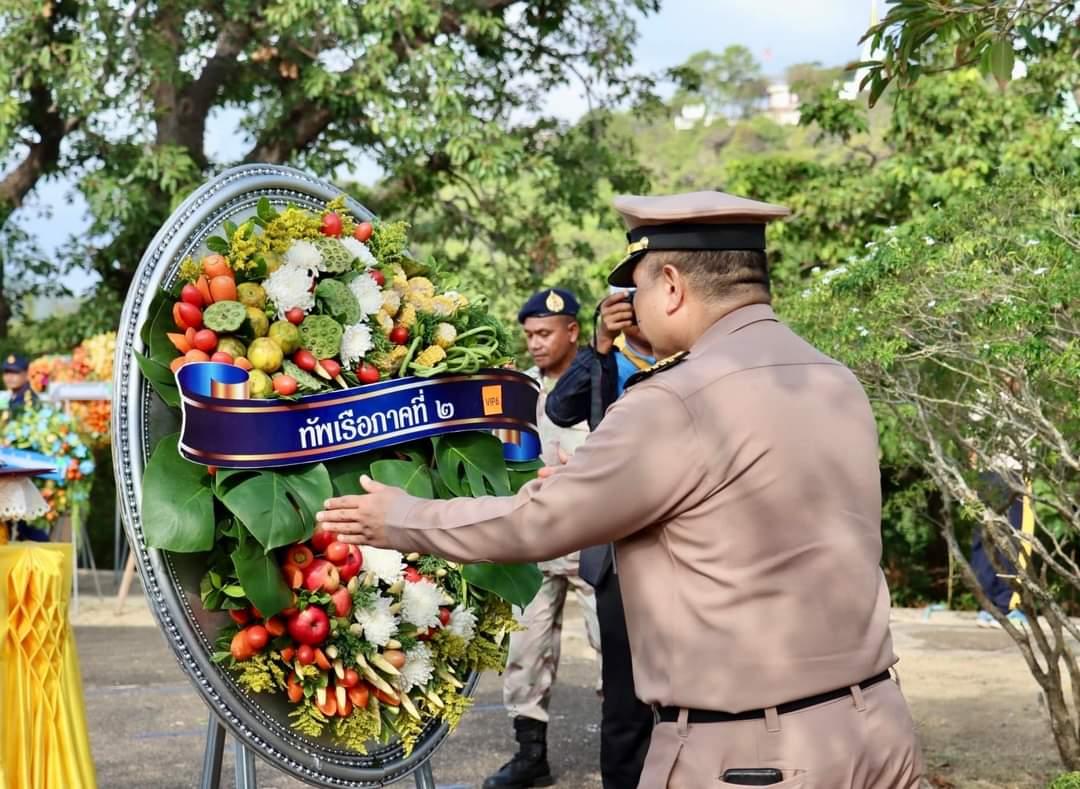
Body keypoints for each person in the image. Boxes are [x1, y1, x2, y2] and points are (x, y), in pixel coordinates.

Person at [317, 190, 924, 788]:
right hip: (877, 730)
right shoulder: (832, 379)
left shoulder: (676, 399)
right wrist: (588, 484)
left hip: (753, 758)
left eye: (637, 290)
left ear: (671, 285)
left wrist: (402, 517)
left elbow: (536, 524)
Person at [480, 287, 602, 789]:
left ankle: (628, 752)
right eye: (529, 334)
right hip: (534, 543)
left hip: (593, 537)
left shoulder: (600, 382)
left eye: (545, 333)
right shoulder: (518, 390)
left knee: (613, 645)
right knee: (525, 651)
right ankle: (531, 756)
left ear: (572, 331)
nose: (535, 343)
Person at [543, 288, 656, 789]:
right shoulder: (609, 359)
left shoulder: (697, 355)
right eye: (626, 300)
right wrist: (601, 344)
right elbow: (561, 409)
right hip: (615, 550)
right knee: (624, 700)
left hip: (679, 547)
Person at [2, 354, 37, 423]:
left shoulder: (29, 399)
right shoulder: (12, 397)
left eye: (15, 372)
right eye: (6, 372)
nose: (9, 377)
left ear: (26, 375)